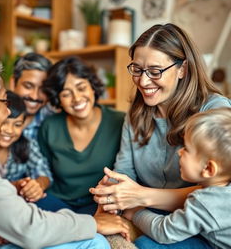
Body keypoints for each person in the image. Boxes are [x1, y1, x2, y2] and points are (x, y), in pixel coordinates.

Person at [89, 23, 231, 248]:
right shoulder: (136, 115)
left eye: (155, 71)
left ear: (182, 68)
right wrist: (113, 191)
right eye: (137, 69)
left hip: (202, 225)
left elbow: (222, 192)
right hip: (150, 211)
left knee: (147, 244)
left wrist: (141, 197)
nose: (143, 82)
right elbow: (125, 170)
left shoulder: (215, 111)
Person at [0, 52, 130, 249]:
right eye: (4, 102)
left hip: (85, 204)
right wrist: (92, 223)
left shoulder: (118, 121)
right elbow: (30, 227)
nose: (8, 112)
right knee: (95, 242)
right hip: (45, 211)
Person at [123, 107, 231, 249]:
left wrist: (136, 213)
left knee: (145, 245)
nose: (179, 152)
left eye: (186, 148)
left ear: (208, 169)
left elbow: (164, 232)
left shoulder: (205, 203)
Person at [37, 56, 125, 215]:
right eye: (66, 94)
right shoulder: (49, 127)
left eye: (81, 87)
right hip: (57, 203)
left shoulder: (120, 122)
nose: (77, 98)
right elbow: (43, 172)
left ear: (92, 87)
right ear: (58, 99)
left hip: (99, 203)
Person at [0, 90, 53, 203]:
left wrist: (37, 186)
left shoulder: (26, 144)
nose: (10, 130)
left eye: (17, 125)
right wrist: (14, 186)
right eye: (4, 123)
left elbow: (44, 173)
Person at [10, 52, 53, 140]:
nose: (35, 96)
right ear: (13, 83)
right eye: (28, 86)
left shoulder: (53, 124)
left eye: (43, 89)